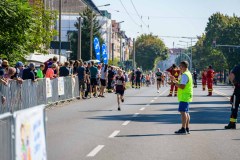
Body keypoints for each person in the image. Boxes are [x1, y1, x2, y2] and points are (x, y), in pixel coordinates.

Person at [170, 61, 193, 134]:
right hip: (187, 95)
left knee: (183, 112)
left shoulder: (185, 75)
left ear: (183, 67)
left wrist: (175, 82)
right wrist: (174, 80)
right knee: (186, 112)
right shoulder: (188, 73)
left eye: (180, 66)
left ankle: (183, 129)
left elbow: (182, 86)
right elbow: (181, 83)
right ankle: (187, 128)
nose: (179, 68)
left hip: (184, 96)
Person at [224, 63, 240, 129]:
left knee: (234, 107)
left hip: (238, 90)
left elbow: (231, 75)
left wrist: (234, 82)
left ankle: (232, 124)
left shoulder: (237, 67)